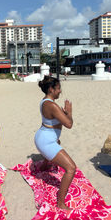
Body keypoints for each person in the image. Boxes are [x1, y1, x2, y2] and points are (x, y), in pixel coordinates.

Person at [34, 76, 76, 210]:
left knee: (58, 141)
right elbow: (69, 124)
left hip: (42, 136)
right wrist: (69, 113)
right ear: (51, 89)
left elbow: (53, 119)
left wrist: (62, 113)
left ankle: (44, 166)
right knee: (71, 169)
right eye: (58, 89)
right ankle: (61, 203)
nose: (60, 91)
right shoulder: (52, 105)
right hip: (45, 141)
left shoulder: (44, 101)